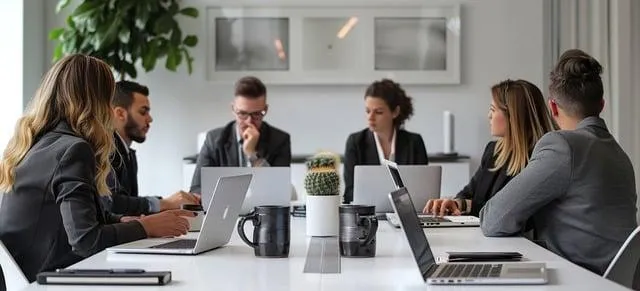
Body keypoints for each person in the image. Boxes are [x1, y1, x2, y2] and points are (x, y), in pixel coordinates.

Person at [0, 54, 193, 282]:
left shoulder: (36, 142)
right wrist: (145, 226)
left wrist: (119, 221)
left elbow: (70, 217)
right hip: (47, 278)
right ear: (97, 102)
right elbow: (85, 241)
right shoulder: (73, 149)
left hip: (24, 275)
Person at [479, 49, 638, 275]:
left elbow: (493, 220)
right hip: (614, 281)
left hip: (578, 280)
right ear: (601, 105)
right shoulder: (619, 155)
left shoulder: (562, 146)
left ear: (552, 107)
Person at [424, 79, 557, 216]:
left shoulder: (540, 158)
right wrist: (455, 203)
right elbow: (468, 193)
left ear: (513, 116)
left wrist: (465, 205)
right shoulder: (493, 150)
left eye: (493, 110)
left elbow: (506, 211)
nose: (489, 116)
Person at [105, 81, 200, 217]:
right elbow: (112, 203)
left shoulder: (127, 153)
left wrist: (171, 202)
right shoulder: (106, 150)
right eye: (143, 112)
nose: (150, 119)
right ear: (120, 113)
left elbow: (129, 208)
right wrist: (164, 203)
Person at [189, 76, 291, 195]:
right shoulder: (213, 140)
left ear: (265, 110)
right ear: (233, 109)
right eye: (242, 113)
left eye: (256, 114)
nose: (249, 121)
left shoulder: (280, 140)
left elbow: (278, 190)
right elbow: (196, 189)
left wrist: (252, 155)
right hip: (224, 210)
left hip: (263, 212)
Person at [343, 79, 428, 204]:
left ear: (395, 112)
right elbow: (350, 192)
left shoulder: (414, 142)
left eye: (378, 112)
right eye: (367, 111)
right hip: (369, 213)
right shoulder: (356, 142)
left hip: (407, 211)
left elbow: (422, 189)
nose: (370, 117)